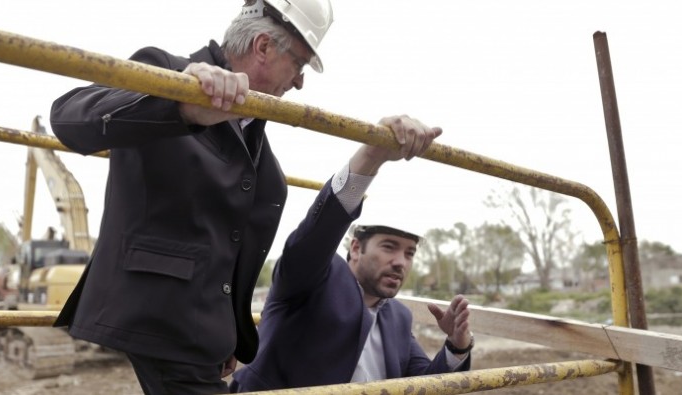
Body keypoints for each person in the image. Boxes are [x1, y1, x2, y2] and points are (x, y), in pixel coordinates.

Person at [47, 1, 441, 393]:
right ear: (264, 47)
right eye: (299, 65)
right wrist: (179, 101)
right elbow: (69, 117)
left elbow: (229, 247)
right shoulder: (169, 71)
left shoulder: (261, 153)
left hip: (200, 337)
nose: (300, 82)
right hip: (158, 319)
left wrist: (226, 331)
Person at [230, 118, 473, 392]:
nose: (400, 262)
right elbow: (319, 232)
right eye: (389, 246)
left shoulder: (398, 317)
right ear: (355, 248)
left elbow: (426, 383)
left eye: (409, 253)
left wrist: (456, 345)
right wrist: (372, 155)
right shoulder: (313, 277)